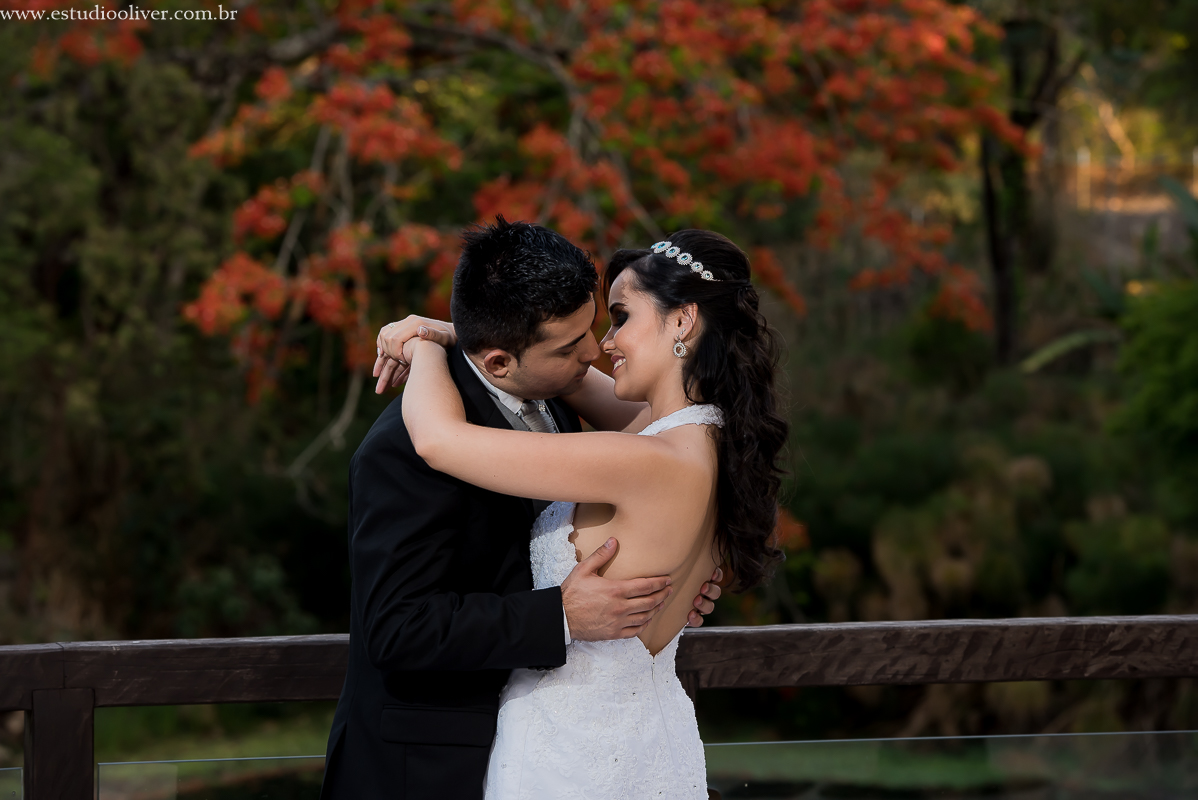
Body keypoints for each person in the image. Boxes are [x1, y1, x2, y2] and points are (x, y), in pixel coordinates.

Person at [319, 217, 723, 800]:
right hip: (426, 770)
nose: (596, 351)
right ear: (501, 361)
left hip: (553, 745)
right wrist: (558, 615)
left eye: (596, 325)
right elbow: (397, 629)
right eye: (570, 345)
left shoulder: (553, 396)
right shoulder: (397, 452)